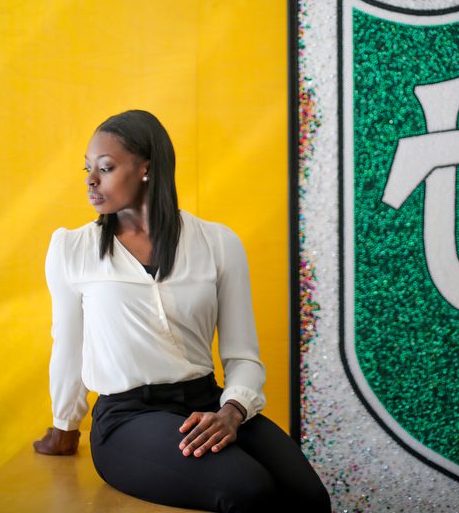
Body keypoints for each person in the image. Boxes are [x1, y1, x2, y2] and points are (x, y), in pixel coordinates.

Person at [33, 110, 331, 513]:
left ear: (146, 169)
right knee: (248, 490)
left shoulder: (218, 243)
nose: (90, 180)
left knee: (309, 497)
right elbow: (67, 347)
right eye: (88, 168)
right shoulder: (72, 250)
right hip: (128, 418)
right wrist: (65, 427)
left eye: (105, 168)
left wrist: (232, 410)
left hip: (210, 404)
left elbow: (243, 355)